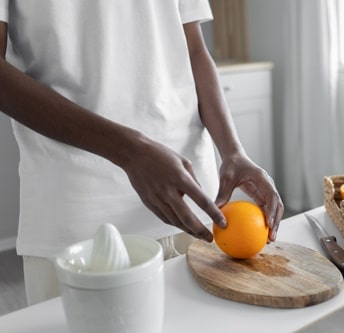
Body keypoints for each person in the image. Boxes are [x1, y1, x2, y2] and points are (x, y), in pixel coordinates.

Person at [0, 0, 283, 305]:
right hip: (80, 221)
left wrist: (233, 150)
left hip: (194, 210)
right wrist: (130, 151)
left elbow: (194, 50)